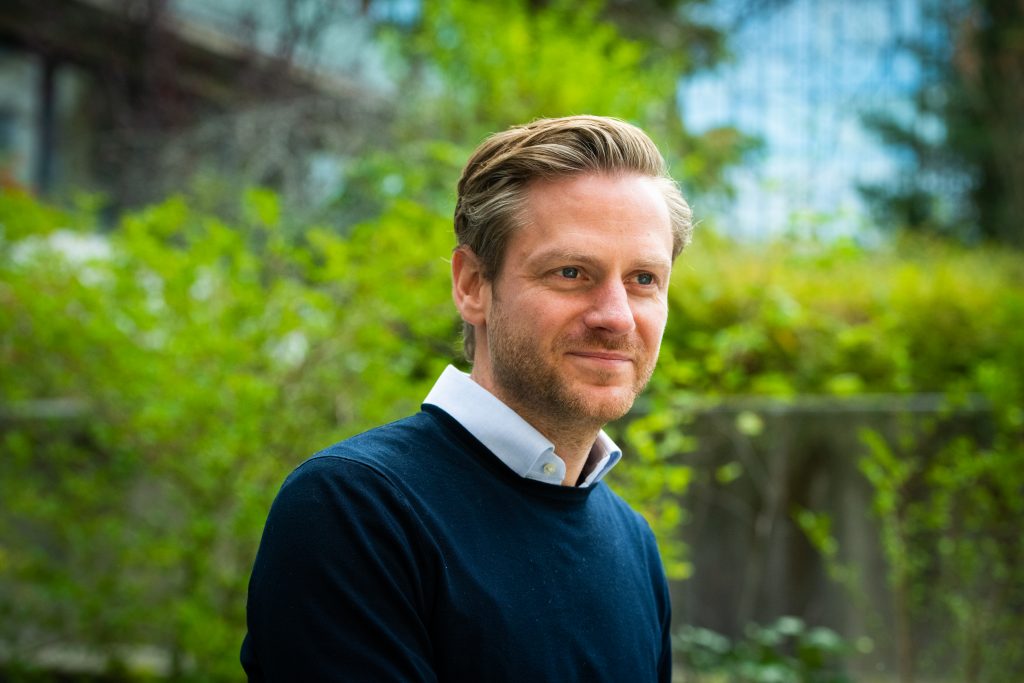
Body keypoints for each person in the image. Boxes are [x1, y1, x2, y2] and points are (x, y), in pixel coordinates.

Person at [241, 115, 693, 682]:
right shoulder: (353, 510)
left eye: (644, 279)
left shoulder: (633, 543)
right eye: (571, 272)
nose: (617, 316)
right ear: (473, 285)